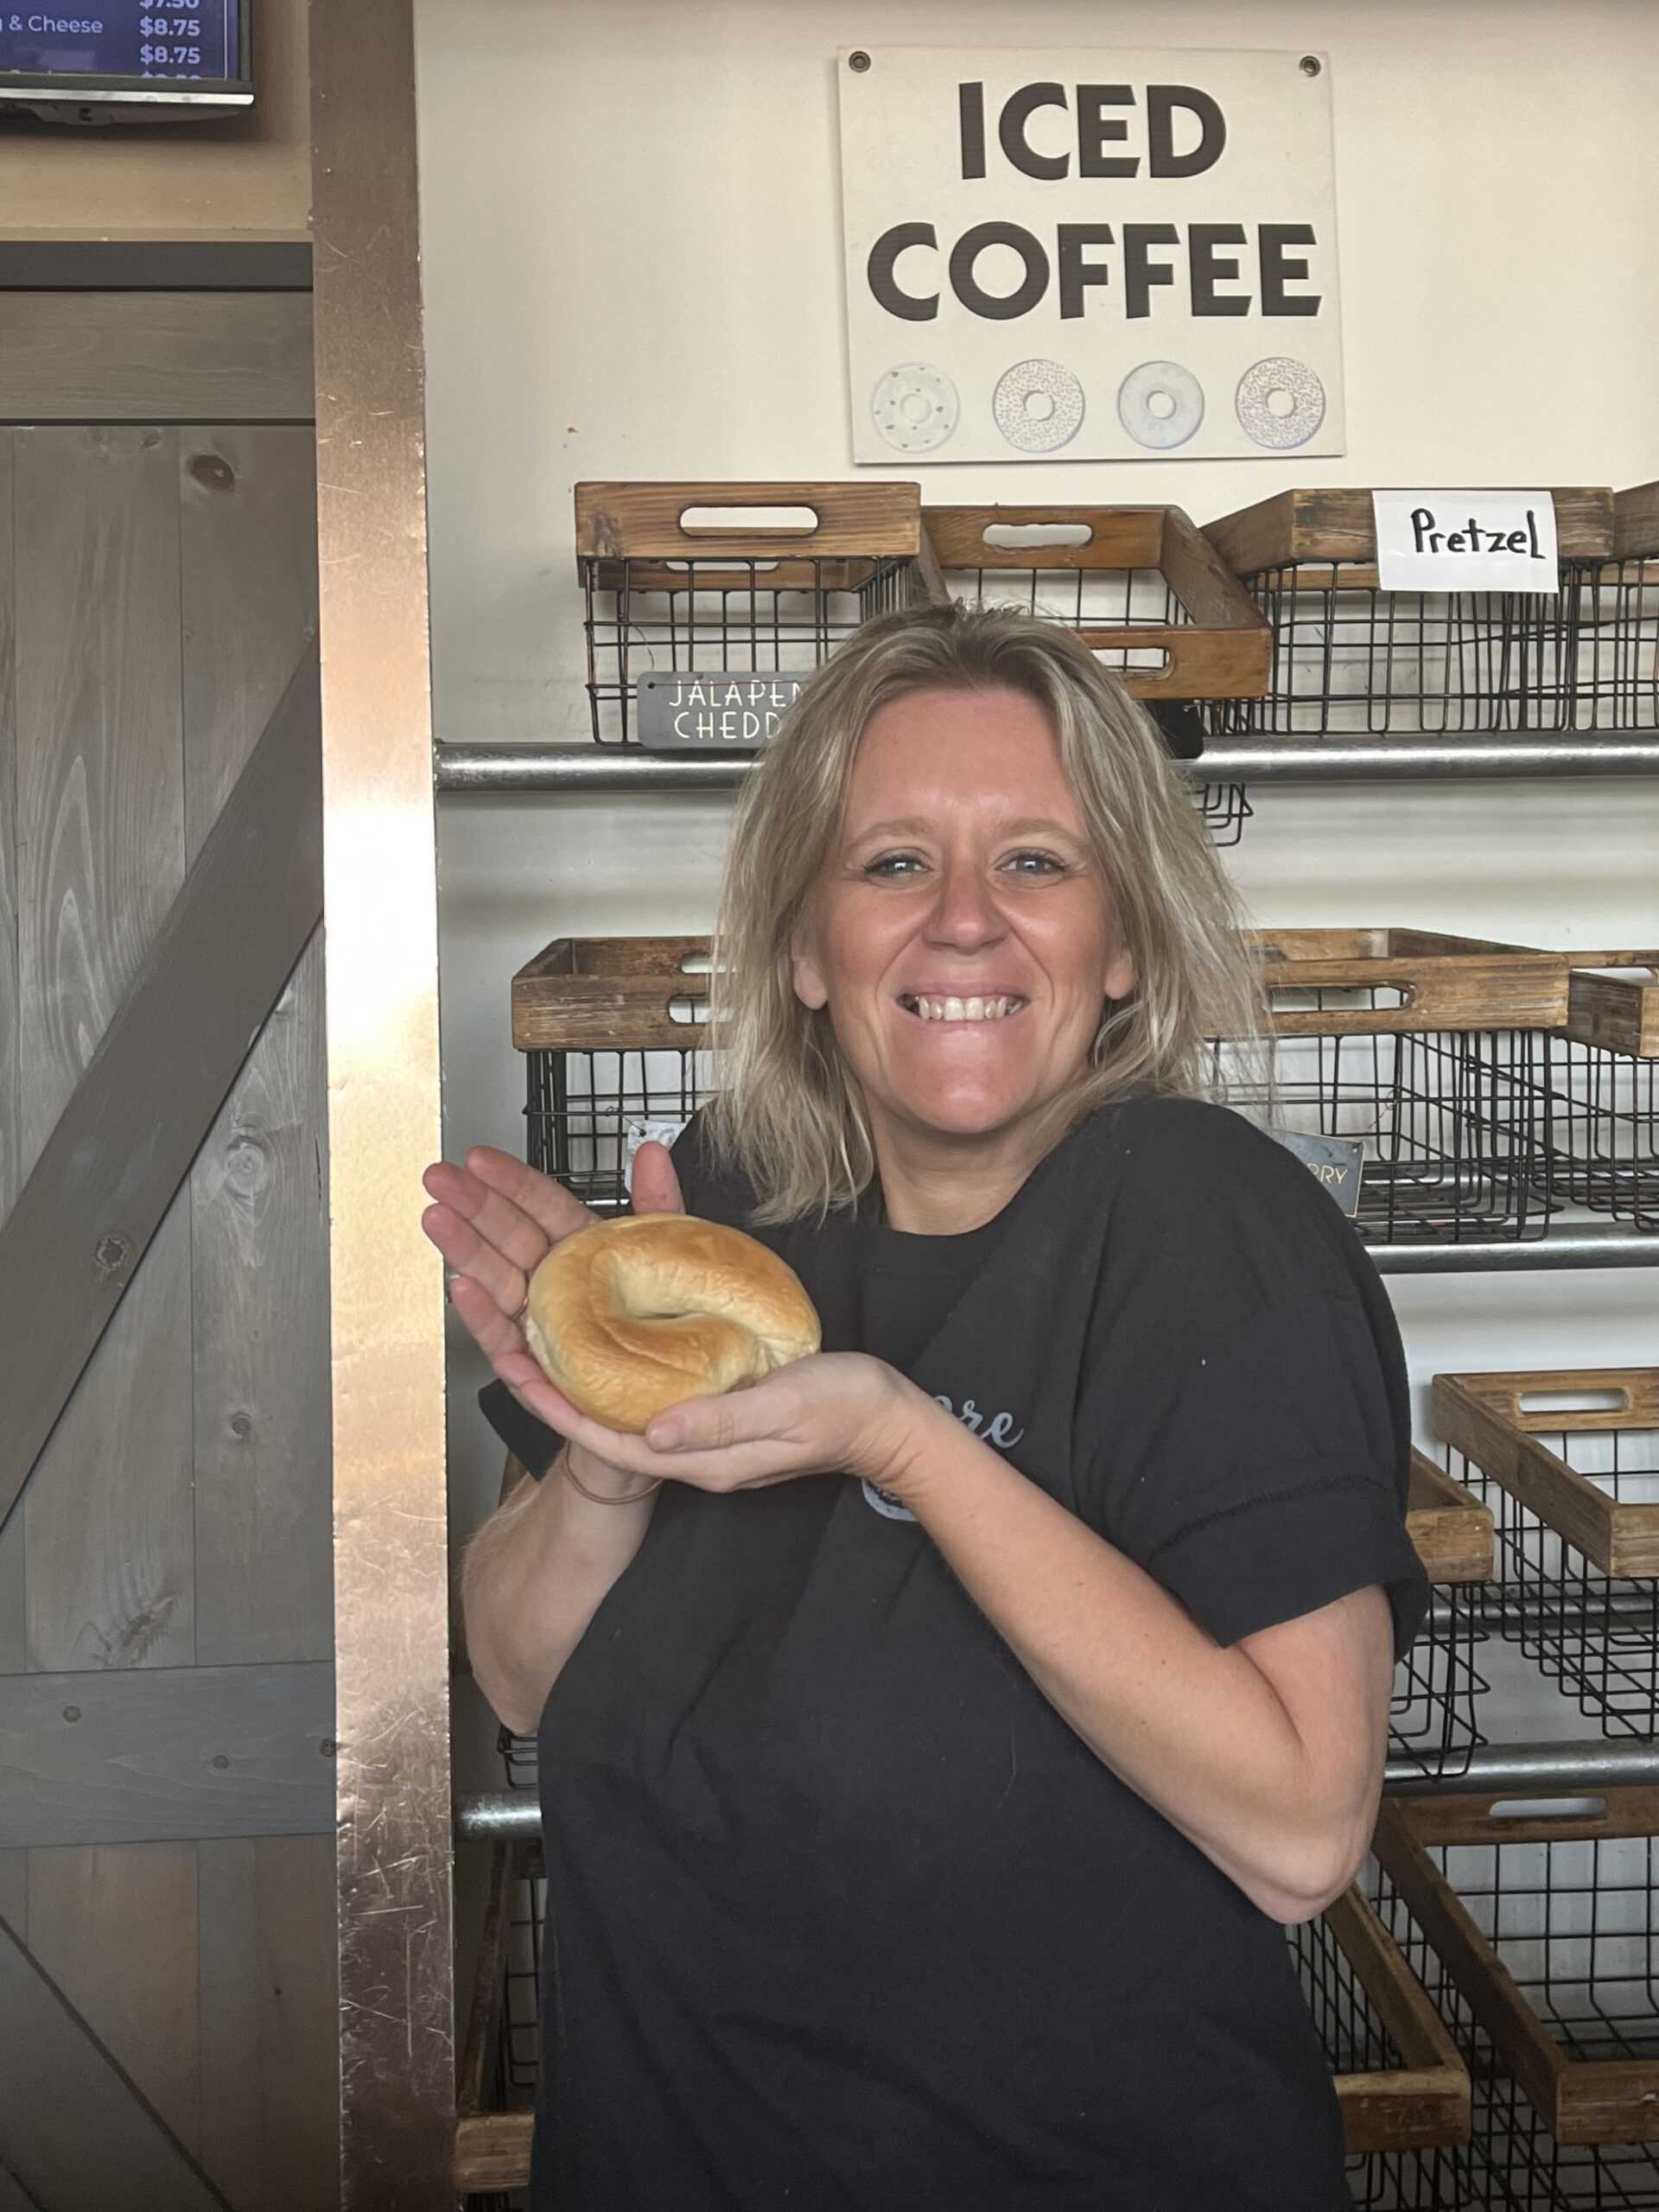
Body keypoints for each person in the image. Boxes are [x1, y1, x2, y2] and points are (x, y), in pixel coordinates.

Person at [422, 601, 1429, 2212]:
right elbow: (524, 1681)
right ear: (808, 948)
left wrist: (903, 1439)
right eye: (893, 864)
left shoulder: (1201, 1227)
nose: (963, 921)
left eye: (1035, 862)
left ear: (1128, 943)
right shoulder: (734, 1199)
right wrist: (606, 1474)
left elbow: (1301, 1830)